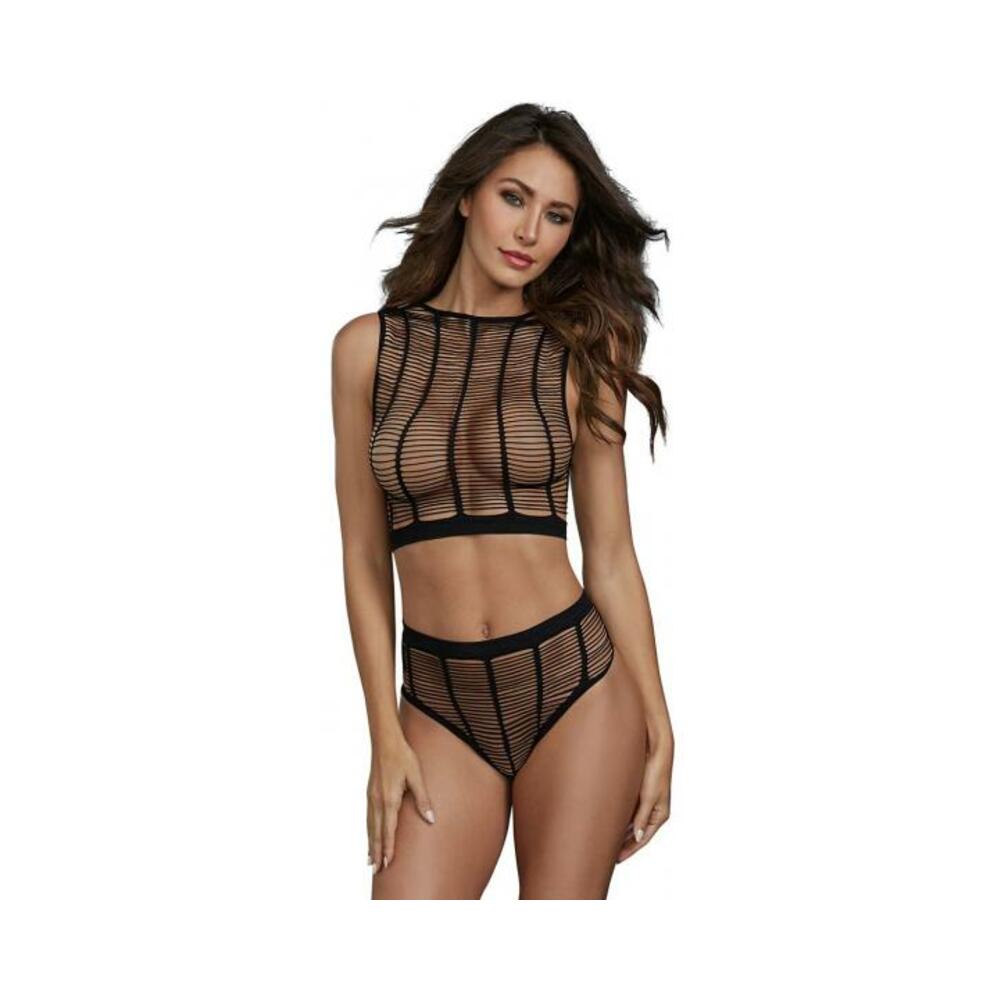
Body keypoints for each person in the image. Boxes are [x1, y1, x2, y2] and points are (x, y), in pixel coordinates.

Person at [331, 103, 674, 899]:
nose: (529, 232)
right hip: (438, 700)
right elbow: (362, 553)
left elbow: (611, 555)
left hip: (576, 684)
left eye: (557, 216)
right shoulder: (364, 351)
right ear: (466, 196)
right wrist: (383, 732)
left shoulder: (583, 351)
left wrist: (660, 723)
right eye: (513, 198)